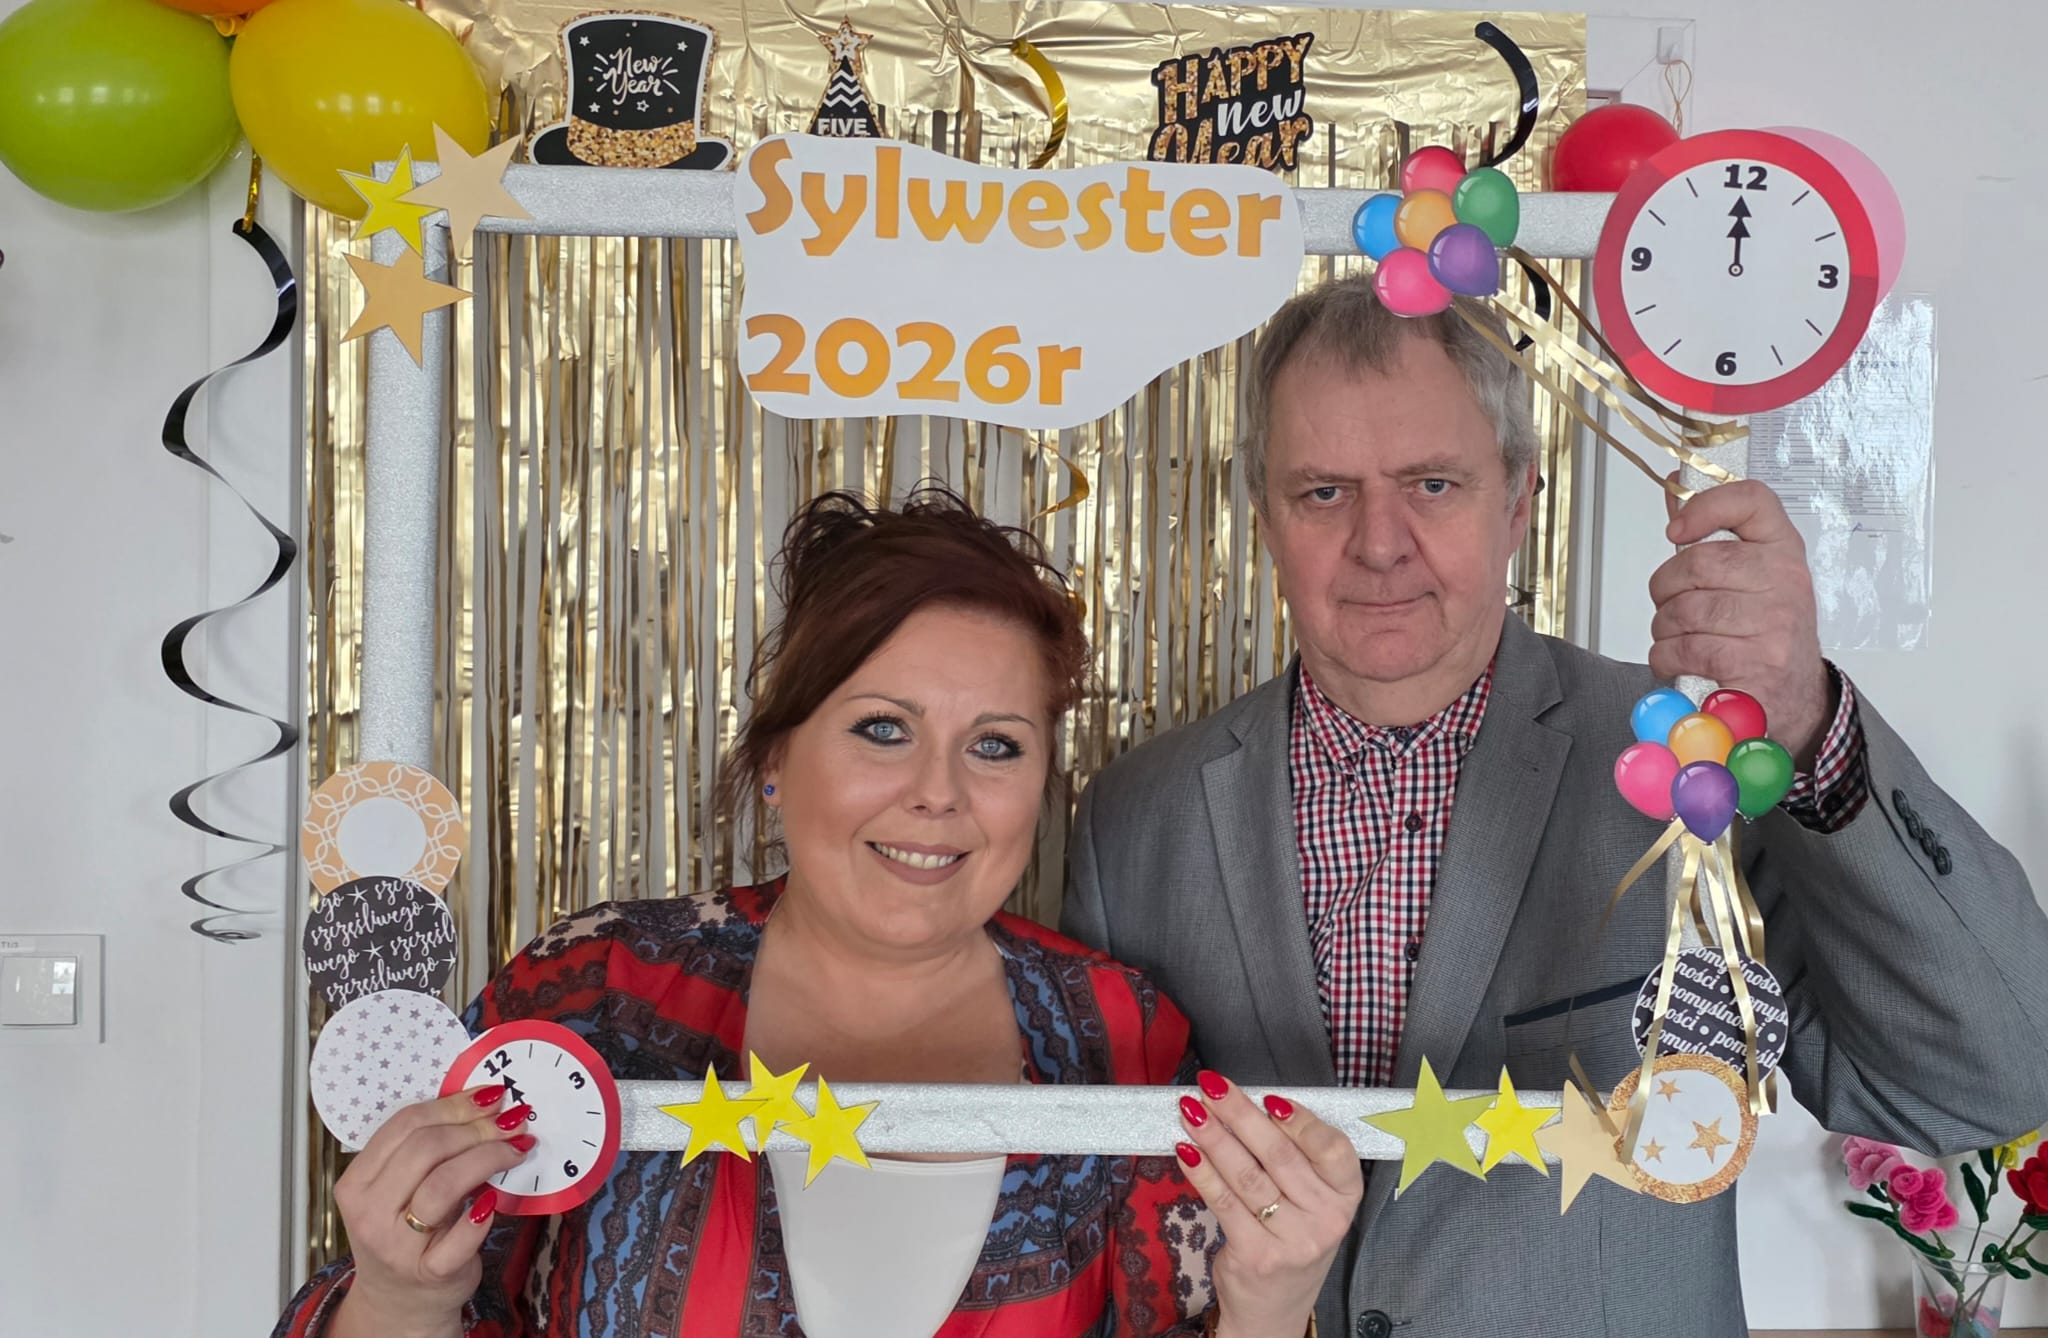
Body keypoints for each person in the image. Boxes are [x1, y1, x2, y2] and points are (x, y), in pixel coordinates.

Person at [1061, 276, 2048, 1338]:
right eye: (1323, 492)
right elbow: (1102, 1239)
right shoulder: (1133, 821)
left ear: (1519, 501)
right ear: (1264, 519)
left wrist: (1805, 719)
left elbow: (1989, 1078)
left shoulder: (1691, 768)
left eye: (1432, 484)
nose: (1380, 542)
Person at [274, 487, 1363, 1338]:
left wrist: (1270, 1309)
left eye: (995, 745)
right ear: (776, 756)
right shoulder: (595, 989)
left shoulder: (1123, 1036)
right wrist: (399, 1299)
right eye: (883, 729)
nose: (937, 793)